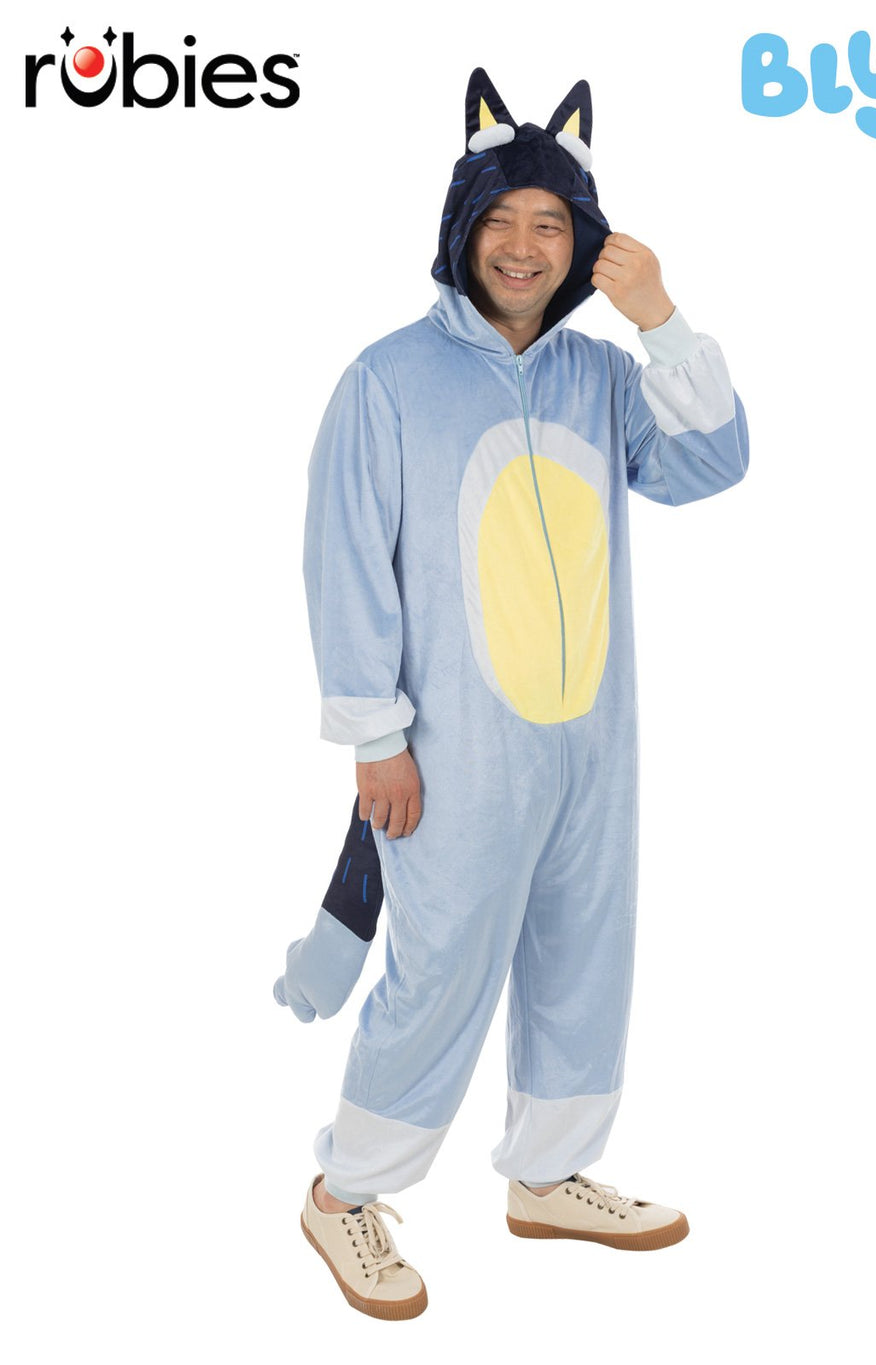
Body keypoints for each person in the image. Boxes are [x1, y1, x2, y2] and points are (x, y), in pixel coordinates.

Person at [275, 67, 749, 1320]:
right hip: (454, 749)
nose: (525, 246)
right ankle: (345, 1192)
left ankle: (547, 1176)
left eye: (550, 222)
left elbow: (712, 463)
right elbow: (344, 564)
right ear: (462, 229)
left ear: (582, 239)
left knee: (584, 951)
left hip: (595, 739)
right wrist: (374, 736)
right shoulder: (388, 379)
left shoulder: (601, 376)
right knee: (440, 970)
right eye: (501, 220)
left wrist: (659, 320)